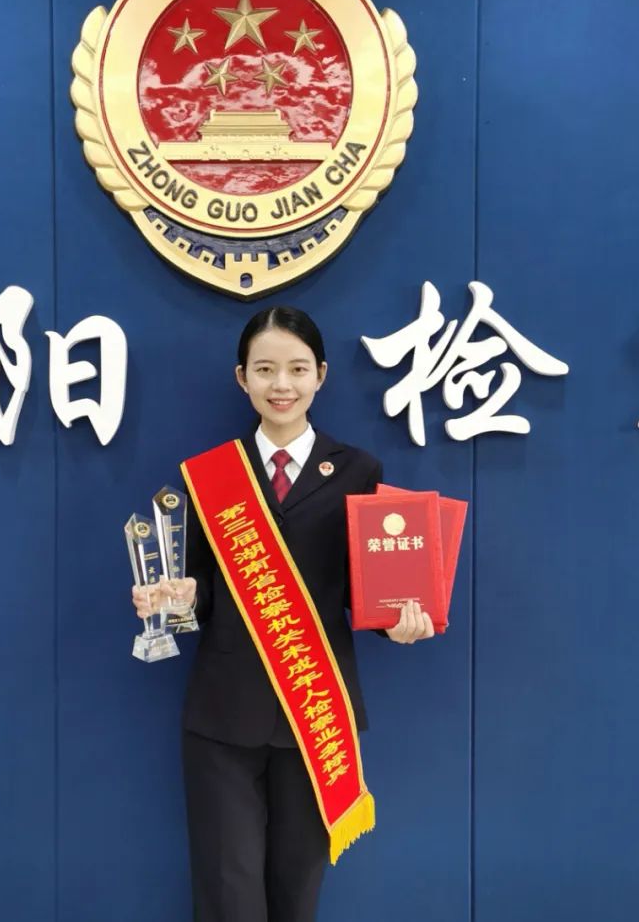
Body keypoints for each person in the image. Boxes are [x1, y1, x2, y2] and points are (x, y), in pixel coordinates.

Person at [132, 306, 433, 922]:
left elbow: (367, 588)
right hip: (223, 715)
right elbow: (201, 595)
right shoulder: (210, 475)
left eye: (297, 369)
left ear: (321, 374)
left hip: (315, 709)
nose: (281, 385)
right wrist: (177, 602)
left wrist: (399, 622)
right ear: (241, 377)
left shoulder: (358, 470)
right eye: (265, 369)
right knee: (228, 893)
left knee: (298, 894)